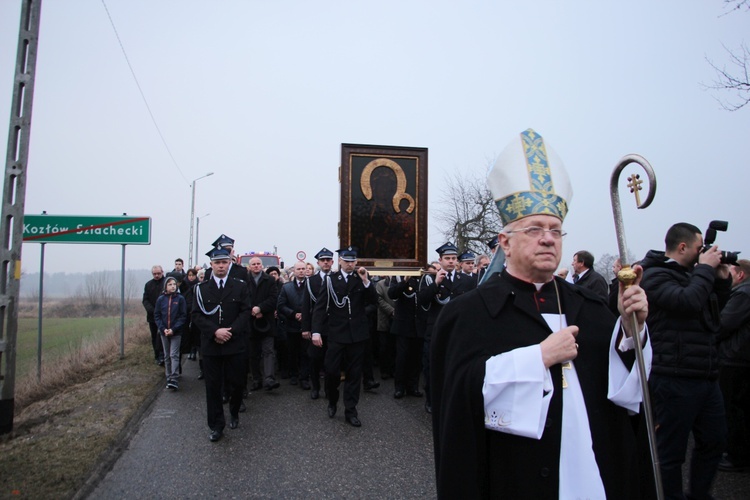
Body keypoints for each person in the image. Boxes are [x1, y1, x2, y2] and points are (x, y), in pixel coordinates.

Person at [431, 128, 652, 498]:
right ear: (505, 242)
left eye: (555, 230)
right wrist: (538, 358)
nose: (548, 238)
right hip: (514, 477)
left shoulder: (591, 308)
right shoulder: (469, 313)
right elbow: (457, 400)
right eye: (534, 229)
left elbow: (628, 398)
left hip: (590, 473)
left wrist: (632, 332)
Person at [640, 222, 732, 498]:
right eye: (698, 247)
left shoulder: (694, 275)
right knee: (671, 452)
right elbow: (686, 302)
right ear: (683, 247)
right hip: (673, 376)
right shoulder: (655, 275)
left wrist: (722, 280)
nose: (702, 252)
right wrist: (704, 270)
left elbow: (712, 313)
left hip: (705, 375)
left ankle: (700, 494)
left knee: (714, 442)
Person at [311, 246, 377, 427]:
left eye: (352, 261)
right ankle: (332, 400)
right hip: (336, 334)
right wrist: (316, 331)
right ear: (339, 261)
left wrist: (366, 282)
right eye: (346, 261)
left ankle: (350, 410)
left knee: (354, 375)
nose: (350, 264)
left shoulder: (361, 278)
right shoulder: (331, 280)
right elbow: (320, 307)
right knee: (331, 372)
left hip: (357, 335)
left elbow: (373, 301)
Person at [191, 247, 252, 442]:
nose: (220, 266)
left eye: (224, 262)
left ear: (230, 264)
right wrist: (215, 331)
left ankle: (234, 411)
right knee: (213, 387)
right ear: (211, 265)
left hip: (235, 344)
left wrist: (230, 332)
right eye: (217, 263)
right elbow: (196, 315)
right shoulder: (201, 289)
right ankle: (216, 425)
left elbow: (245, 312)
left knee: (236, 384)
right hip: (211, 345)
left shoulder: (240, 286)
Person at [419, 242, 475, 413]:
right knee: (432, 368)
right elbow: (422, 300)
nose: (450, 261)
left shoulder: (466, 280)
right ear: (440, 260)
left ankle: (452, 399)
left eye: (453, 258)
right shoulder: (431, 279)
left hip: (457, 331)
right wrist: (436, 283)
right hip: (435, 330)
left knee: (454, 367)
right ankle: (431, 399)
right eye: (447, 258)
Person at [717, 259, 750, 472]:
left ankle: (737, 456)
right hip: (742, 357)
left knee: (734, 409)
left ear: (739, 275)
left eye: (729, 272)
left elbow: (723, 324)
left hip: (735, 358)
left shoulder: (743, 293)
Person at [302, 248, 335, 400]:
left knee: (331, 362)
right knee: (314, 359)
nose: (326, 262)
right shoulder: (311, 281)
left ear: (333, 262)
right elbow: (306, 306)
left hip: (334, 327)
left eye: (328, 260)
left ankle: (330, 389)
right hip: (317, 326)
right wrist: (306, 328)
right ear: (318, 263)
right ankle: (315, 387)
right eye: (323, 260)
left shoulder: (337, 278)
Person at [246, 256, 281, 391]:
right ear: (250, 266)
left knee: (268, 351)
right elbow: (243, 298)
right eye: (253, 264)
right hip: (250, 321)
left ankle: (269, 379)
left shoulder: (270, 280)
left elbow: (273, 298)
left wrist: (260, 308)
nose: (256, 266)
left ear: (261, 266)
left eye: (258, 264)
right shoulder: (245, 281)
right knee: (253, 352)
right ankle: (256, 379)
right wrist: (252, 310)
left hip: (266, 321)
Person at [277, 261, 311, 390]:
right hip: (291, 325)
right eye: (299, 269)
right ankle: (294, 375)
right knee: (292, 351)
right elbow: (281, 305)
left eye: (303, 268)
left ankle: (304, 377)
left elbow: (317, 303)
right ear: (294, 271)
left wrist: (306, 315)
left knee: (306, 352)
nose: (301, 271)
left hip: (307, 324)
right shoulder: (286, 287)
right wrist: (293, 314)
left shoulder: (311, 285)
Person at [389, 274, 423, 399]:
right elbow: (392, 294)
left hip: (417, 324)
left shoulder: (422, 277)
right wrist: (404, 281)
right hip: (403, 325)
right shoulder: (397, 277)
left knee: (416, 358)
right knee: (402, 358)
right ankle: (399, 388)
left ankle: (413, 386)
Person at [154, 276, 187, 390]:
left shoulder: (180, 299)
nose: (172, 286)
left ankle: (174, 377)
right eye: (170, 284)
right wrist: (163, 329)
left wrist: (174, 329)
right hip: (164, 332)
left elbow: (183, 316)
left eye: (174, 284)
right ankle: (168, 376)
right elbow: (157, 315)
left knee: (174, 354)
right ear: (165, 287)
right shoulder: (161, 299)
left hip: (176, 332)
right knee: (167, 355)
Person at [142, 265, 166, 365]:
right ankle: (157, 356)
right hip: (152, 316)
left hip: (164, 315)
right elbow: (145, 300)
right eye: (154, 274)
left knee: (163, 336)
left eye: (158, 273)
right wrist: (152, 310)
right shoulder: (148, 285)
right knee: (154, 337)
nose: (156, 275)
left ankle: (164, 355)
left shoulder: (166, 283)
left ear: (162, 272)